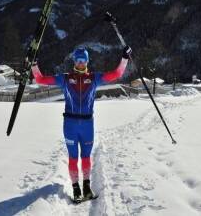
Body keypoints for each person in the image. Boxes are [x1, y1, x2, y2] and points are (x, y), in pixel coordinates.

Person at [31, 45, 132, 202]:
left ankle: (86, 187)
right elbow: (40, 79)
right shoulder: (65, 78)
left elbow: (117, 73)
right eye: (78, 60)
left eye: (83, 60)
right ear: (74, 61)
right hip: (70, 125)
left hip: (87, 125)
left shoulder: (94, 78)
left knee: (85, 157)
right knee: (73, 157)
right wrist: (34, 64)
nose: (80, 63)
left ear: (87, 62)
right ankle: (76, 189)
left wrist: (125, 58)